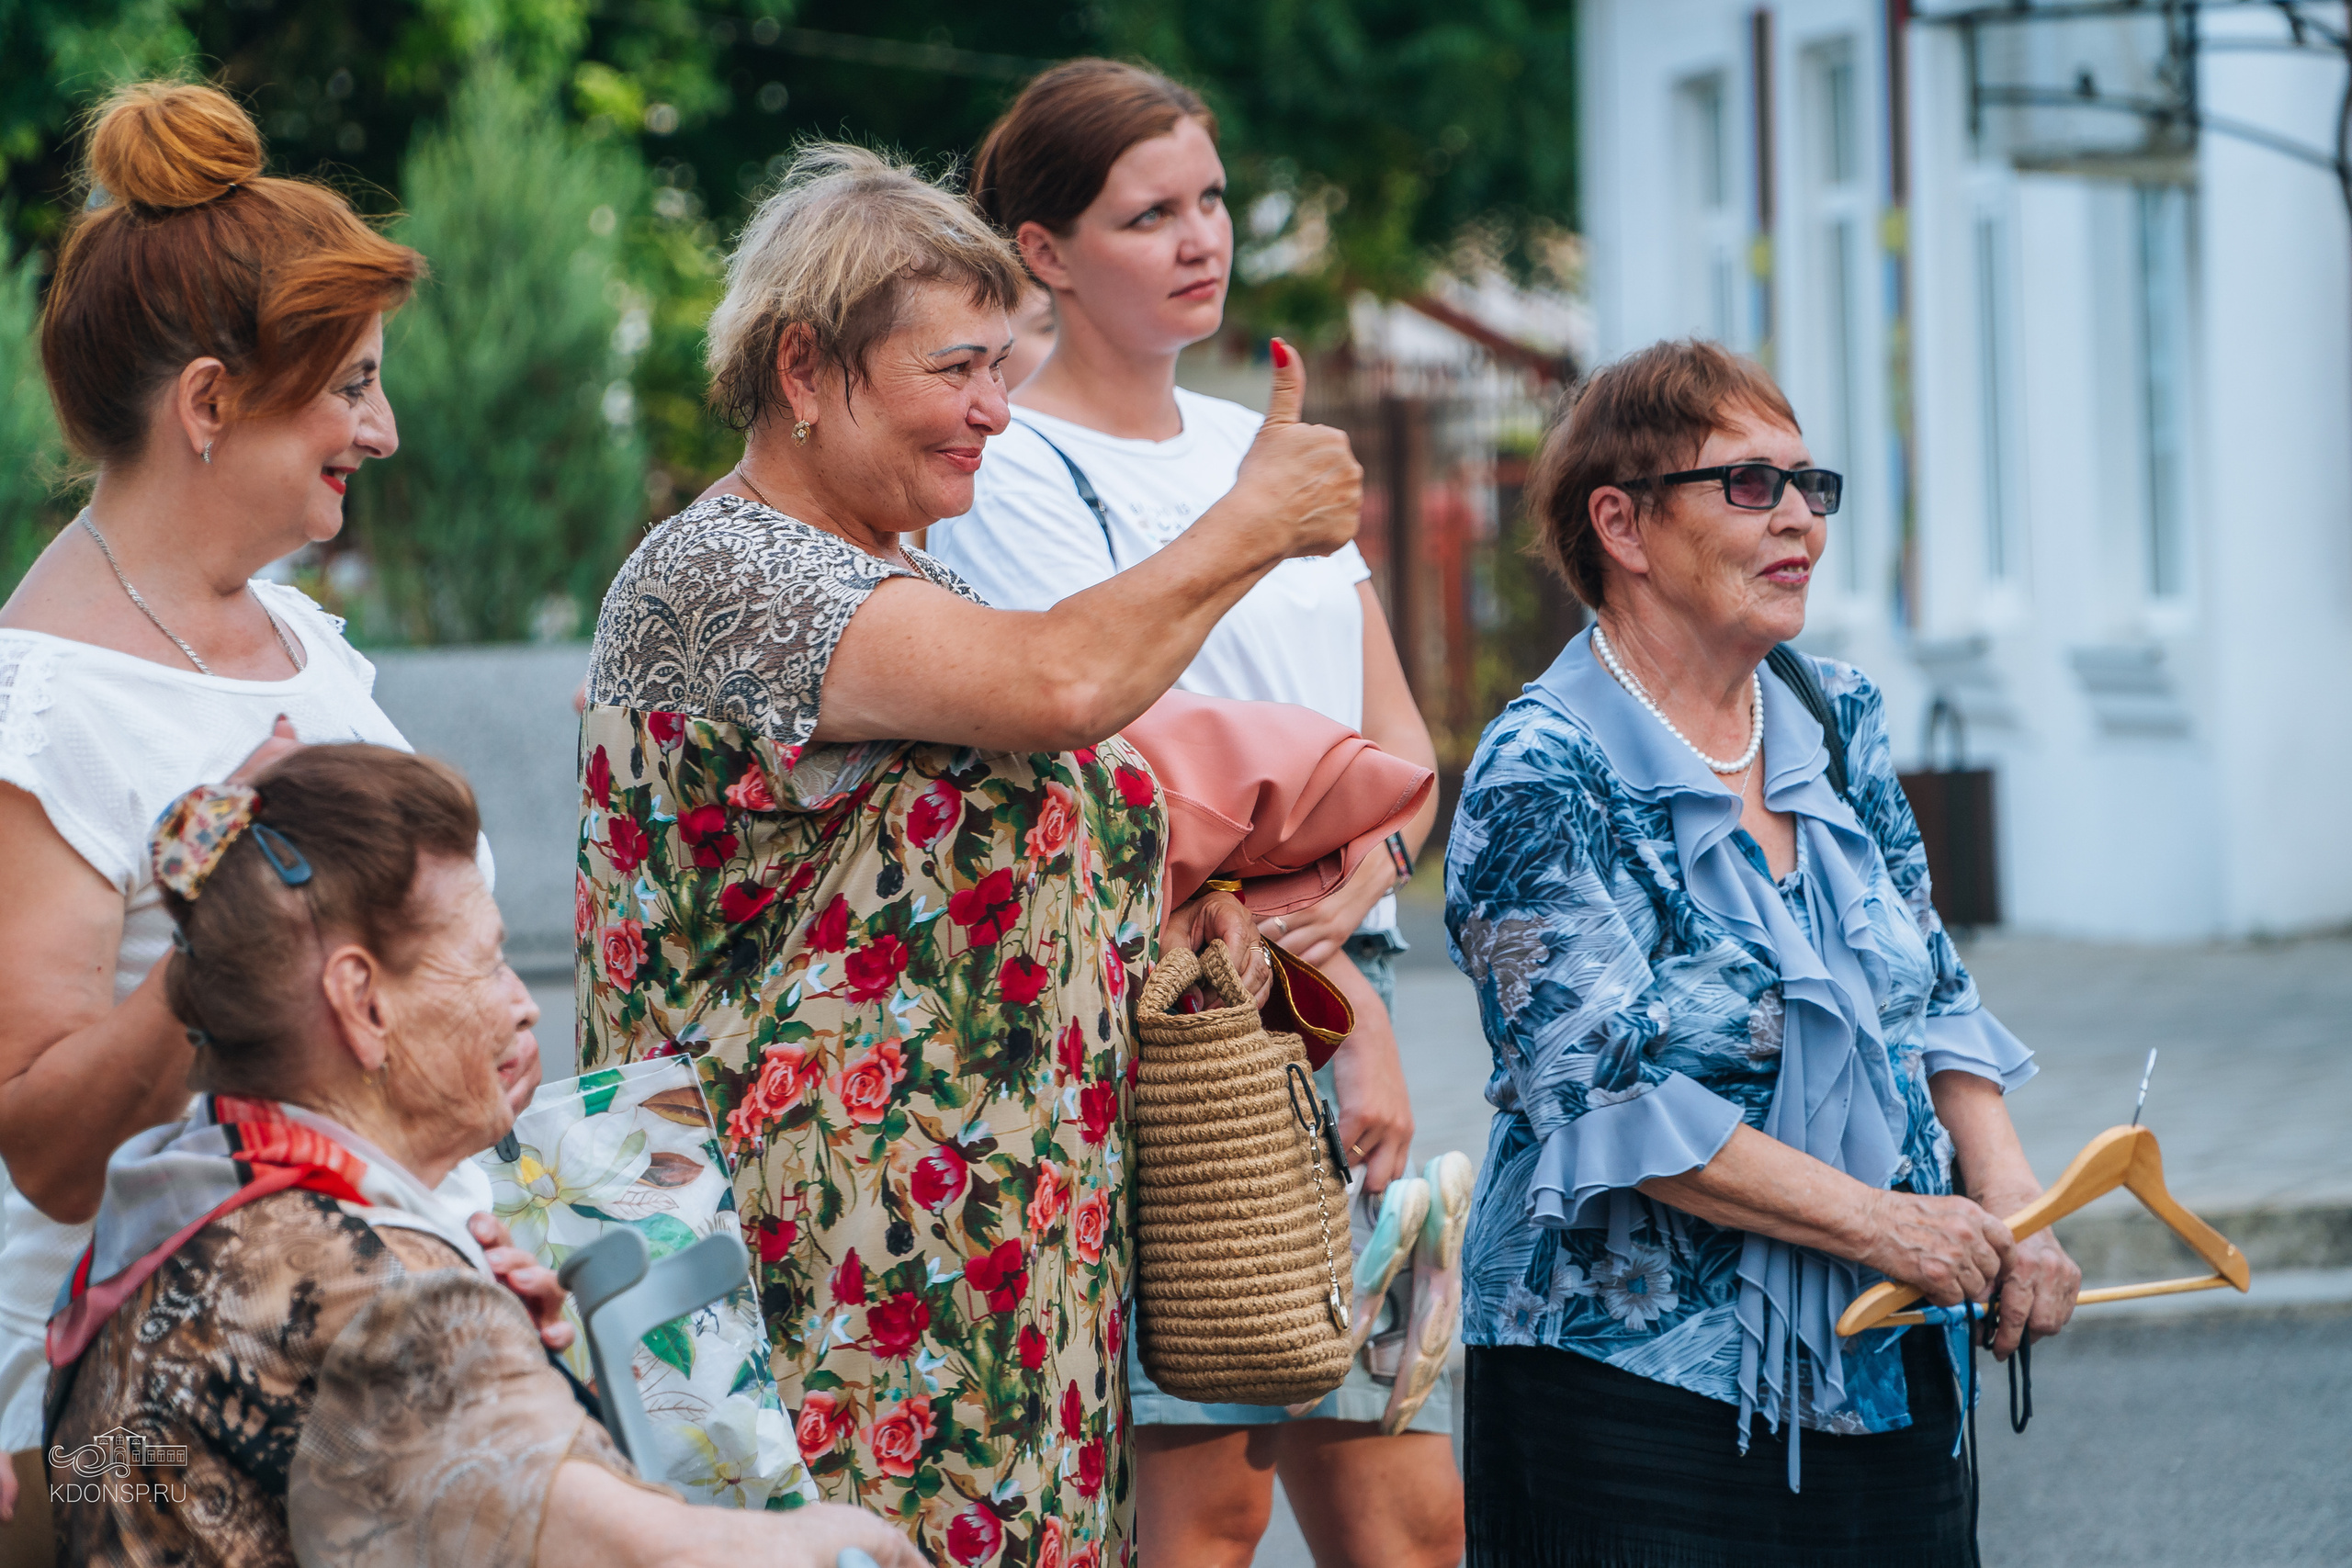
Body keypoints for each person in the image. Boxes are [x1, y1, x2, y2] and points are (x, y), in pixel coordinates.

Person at [573, 144, 1361, 1565]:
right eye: (958, 370)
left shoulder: (891, 571)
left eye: (1004, 366)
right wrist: (1254, 521)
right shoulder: (731, 575)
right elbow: (1064, 682)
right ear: (806, 367)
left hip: (971, 1286)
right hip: (802, 1296)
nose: (998, 411)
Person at [930, 59, 1464, 1568]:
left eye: (1211, 200)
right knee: (1212, 1494)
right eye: (1146, 212)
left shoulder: (1268, 445)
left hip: (1336, 984)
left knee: (1404, 1497)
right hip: (1188, 1010)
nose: (1199, 238)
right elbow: (1109, 758)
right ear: (1043, 251)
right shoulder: (1007, 466)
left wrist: (1356, 929)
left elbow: (1400, 746)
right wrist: (1327, 986)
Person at [0, 82, 538, 1535]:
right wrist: (216, 901)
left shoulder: (308, 643)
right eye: (352, 382)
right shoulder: (43, 706)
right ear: (210, 402)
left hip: (380, 1333)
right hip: (135, 1416)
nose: (388, 426)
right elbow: (45, 1147)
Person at [1445, 339, 2082, 1565]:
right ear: (1622, 524)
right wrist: (1885, 1224)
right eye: (1749, 485)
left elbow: (1930, 985)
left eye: (1810, 484)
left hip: (1887, 1354)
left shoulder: (1832, 711)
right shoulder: (1543, 769)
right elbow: (1608, 1098)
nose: (1799, 519)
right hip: (1629, 1390)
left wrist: (2011, 1200)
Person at [44, 746, 921, 1568]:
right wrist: (844, 1533)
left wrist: (503, 1370)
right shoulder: (383, 1306)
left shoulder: (160, 1220)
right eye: (489, 961)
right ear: (362, 1003)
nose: (522, 1006)